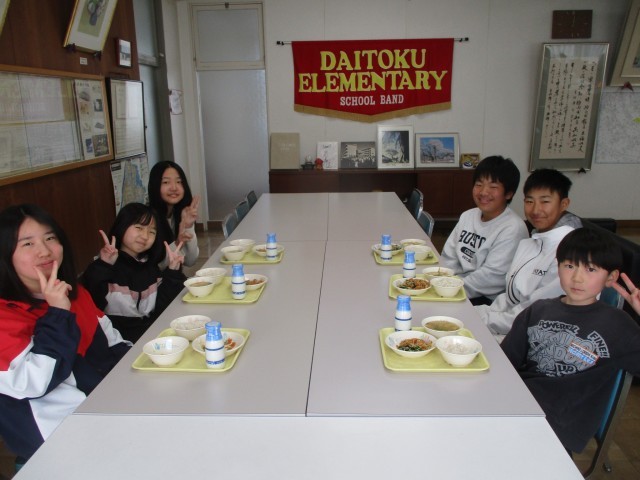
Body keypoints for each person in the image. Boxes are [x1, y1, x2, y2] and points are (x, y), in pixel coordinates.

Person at [0, 204, 131, 462]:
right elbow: (36, 382)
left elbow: (115, 344)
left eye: (50, 238)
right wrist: (58, 313)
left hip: (110, 416)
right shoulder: (6, 316)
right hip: (59, 447)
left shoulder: (75, 294)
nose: (45, 251)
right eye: (28, 244)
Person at [501, 228, 640, 453]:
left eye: (591, 269)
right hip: (519, 407)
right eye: (569, 266)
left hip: (560, 426)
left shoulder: (618, 325)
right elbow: (505, 365)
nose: (577, 278)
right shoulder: (538, 310)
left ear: (611, 278)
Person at [475, 168, 582, 338]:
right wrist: (478, 314)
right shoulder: (531, 242)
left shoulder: (570, 255)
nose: (535, 210)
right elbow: (510, 297)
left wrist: (480, 319)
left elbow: (535, 314)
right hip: (507, 324)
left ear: (564, 204)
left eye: (545, 201)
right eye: (529, 201)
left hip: (536, 337)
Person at [81, 203, 187, 343]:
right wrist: (103, 265)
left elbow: (161, 307)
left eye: (152, 232)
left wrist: (173, 271)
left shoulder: (150, 267)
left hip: (151, 339)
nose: (145, 236)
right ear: (122, 226)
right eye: (139, 228)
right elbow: (91, 300)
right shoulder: (105, 268)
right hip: (118, 345)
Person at [439, 156, 529, 305]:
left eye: (493, 187)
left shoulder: (513, 228)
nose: (483, 192)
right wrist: (442, 281)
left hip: (485, 299)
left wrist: (450, 290)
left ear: (509, 193)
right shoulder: (468, 216)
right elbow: (449, 256)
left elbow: (491, 278)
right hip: (453, 286)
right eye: (479, 184)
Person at [148, 161, 200, 267]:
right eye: (166, 182)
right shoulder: (148, 219)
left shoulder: (178, 214)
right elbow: (155, 268)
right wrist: (177, 243)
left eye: (179, 182)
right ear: (155, 185)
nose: (174, 188)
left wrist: (188, 227)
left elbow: (190, 261)